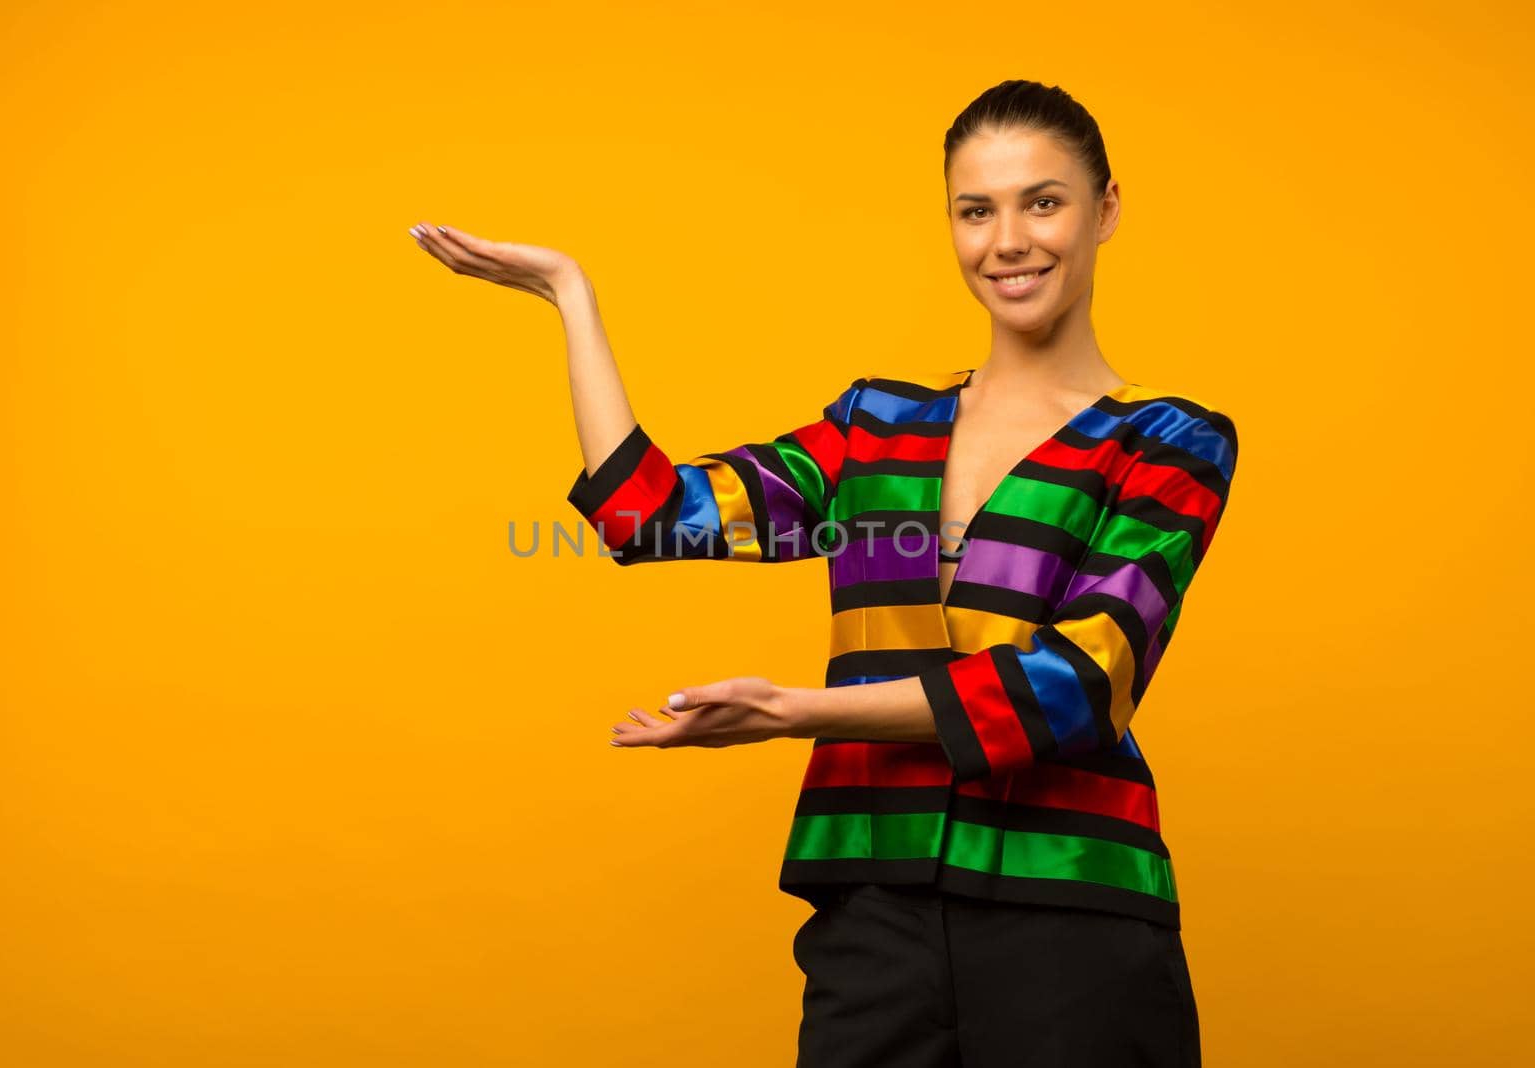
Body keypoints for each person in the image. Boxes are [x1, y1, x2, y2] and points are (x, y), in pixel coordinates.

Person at [407, 78, 1236, 1068]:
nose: (1007, 241)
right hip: (869, 909)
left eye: (1041, 201)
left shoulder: (1168, 441)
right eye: (976, 211)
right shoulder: (874, 429)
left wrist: (798, 712)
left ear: (1104, 209)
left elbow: (1076, 689)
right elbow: (651, 517)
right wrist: (569, 297)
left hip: (1075, 910)